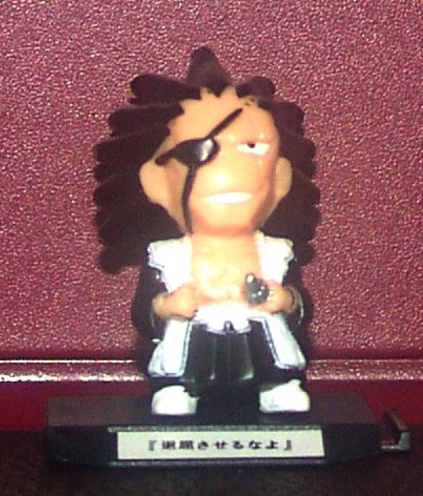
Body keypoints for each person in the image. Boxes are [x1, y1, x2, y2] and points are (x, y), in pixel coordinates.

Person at [94, 48, 319, 415]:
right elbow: (144, 311)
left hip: (256, 328)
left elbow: (300, 304)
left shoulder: (276, 253)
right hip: (196, 331)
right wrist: (166, 306)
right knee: (184, 358)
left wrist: (285, 300)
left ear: (281, 177)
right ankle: (177, 388)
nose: (230, 170)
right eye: (200, 151)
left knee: (272, 354)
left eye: (252, 148)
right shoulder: (167, 257)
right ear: (156, 182)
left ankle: (276, 385)